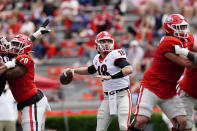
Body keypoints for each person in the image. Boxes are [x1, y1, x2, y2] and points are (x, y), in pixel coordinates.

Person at [128, 14, 197, 131]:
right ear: (170, 29)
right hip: (152, 86)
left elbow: (194, 47)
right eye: (179, 27)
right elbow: (187, 63)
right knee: (141, 120)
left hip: (169, 89)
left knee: (182, 122)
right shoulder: (168, 42)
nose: (183, 30)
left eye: (184, 27)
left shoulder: (187, 38)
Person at [63, 31, 133, 131]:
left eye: (108, 41)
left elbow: (129, 69)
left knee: (124, 127)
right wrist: (73, 70)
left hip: (122, 95)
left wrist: (111, 77)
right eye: (103, 41)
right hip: (107, 98)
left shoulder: (115, 55)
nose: (106, 44)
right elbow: (89, 70)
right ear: (97, 44)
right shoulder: (97, 59)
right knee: (100, 129)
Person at [0, 22, 51, 131]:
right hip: (27, 103)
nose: (13, 46)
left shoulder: (26, 59)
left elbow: (8, 74)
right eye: (13, 44)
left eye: (17, 45)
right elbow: (25, 43)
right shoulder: (12, 56)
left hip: (33, 101)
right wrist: (37, 33)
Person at [172, 43, 197, 131]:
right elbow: (191, 46)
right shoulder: (194, 48)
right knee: (185, 126)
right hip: (186, 93)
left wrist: (183, 51)